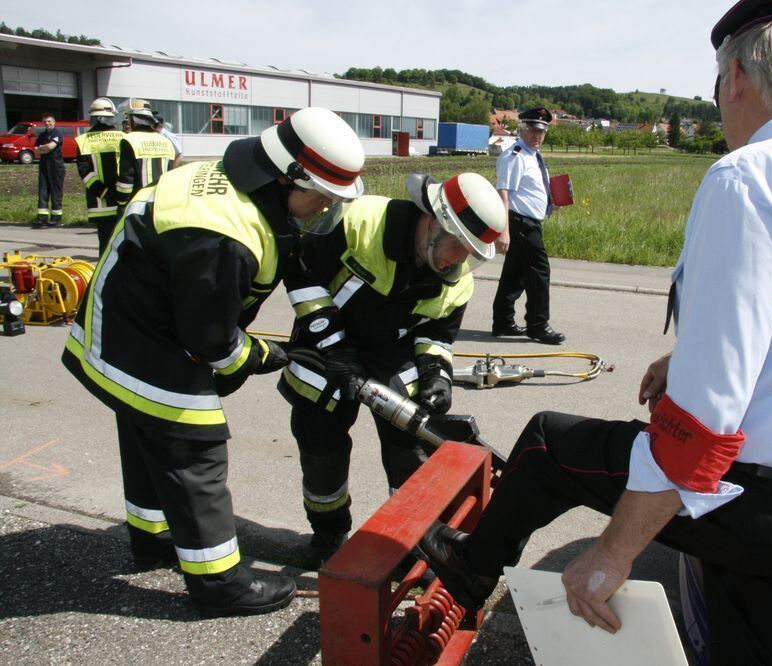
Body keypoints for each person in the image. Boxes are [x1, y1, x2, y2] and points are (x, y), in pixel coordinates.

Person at [419, 1, 772, 663]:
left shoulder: (749, 178)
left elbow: (708, 414)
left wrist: (612, 552)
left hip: (759, 500)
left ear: (735, 76)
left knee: (544, 444)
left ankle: (473, 569)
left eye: (716, 90)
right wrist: (687, 357)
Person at [62, 107, 366, 617]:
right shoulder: (225, 235)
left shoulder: (229, 186)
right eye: (321, 196)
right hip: (145, 348)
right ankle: (220, 583)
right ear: (287, 176)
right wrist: (266, 355)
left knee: (146, 438)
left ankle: (155, 540)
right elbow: (212, 343)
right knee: (195, 451)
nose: (321, 209)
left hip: (117, 332)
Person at [277, 172, 506, 568]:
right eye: (458, 246)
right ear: (435, 222)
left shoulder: (456, 283)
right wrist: (335, 347)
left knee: (410, 450)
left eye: (470, 253)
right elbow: (301, 271)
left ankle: (410, 542)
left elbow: (437, 334)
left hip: (392, 355)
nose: (460, 260)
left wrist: (437, 373)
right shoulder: (359, 220)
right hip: (326, 343)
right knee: (321, 448)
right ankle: (329, 534)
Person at [491, 106, 565, 344]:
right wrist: (504, 231)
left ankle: (503, 322)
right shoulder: (515, 156)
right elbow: (503, 192)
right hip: (520, 223)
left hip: (528, 222)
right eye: (533, 130)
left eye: (542, 132)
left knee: (515, 275)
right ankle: (538, 325)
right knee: (539, 273)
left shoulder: (532, 155)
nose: (538, 136)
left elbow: (531, 189)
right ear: (522, 129)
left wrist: (552, 203)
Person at [75, 98, 124, 253]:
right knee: (124, 245)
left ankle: (104, 277)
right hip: (122, 202)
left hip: (99, 205)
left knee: (105, 248)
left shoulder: (83, 141)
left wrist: (103, 193)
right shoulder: (123, 137)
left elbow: (84, 172)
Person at [115, 99, 176, 210]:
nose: (128, 122)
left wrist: (122, 202)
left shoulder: (129, 140)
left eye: (128, 118)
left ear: (134, 119)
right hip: (162, 203)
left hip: (138, 205)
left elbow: (126, 177)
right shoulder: (166, 141)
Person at [32, 113, 65, 229]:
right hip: (44, 166)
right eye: (45, 122)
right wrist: (43, 149)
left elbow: (50, 147)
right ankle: (42, 218)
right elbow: (35, 150)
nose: (48, 123)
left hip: (56, 166)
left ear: (54, 122)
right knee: (43, 191)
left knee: (56, 193)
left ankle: (56, 218)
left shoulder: (57, 133)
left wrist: (43, 148)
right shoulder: (42, 135)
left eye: (49, 121)